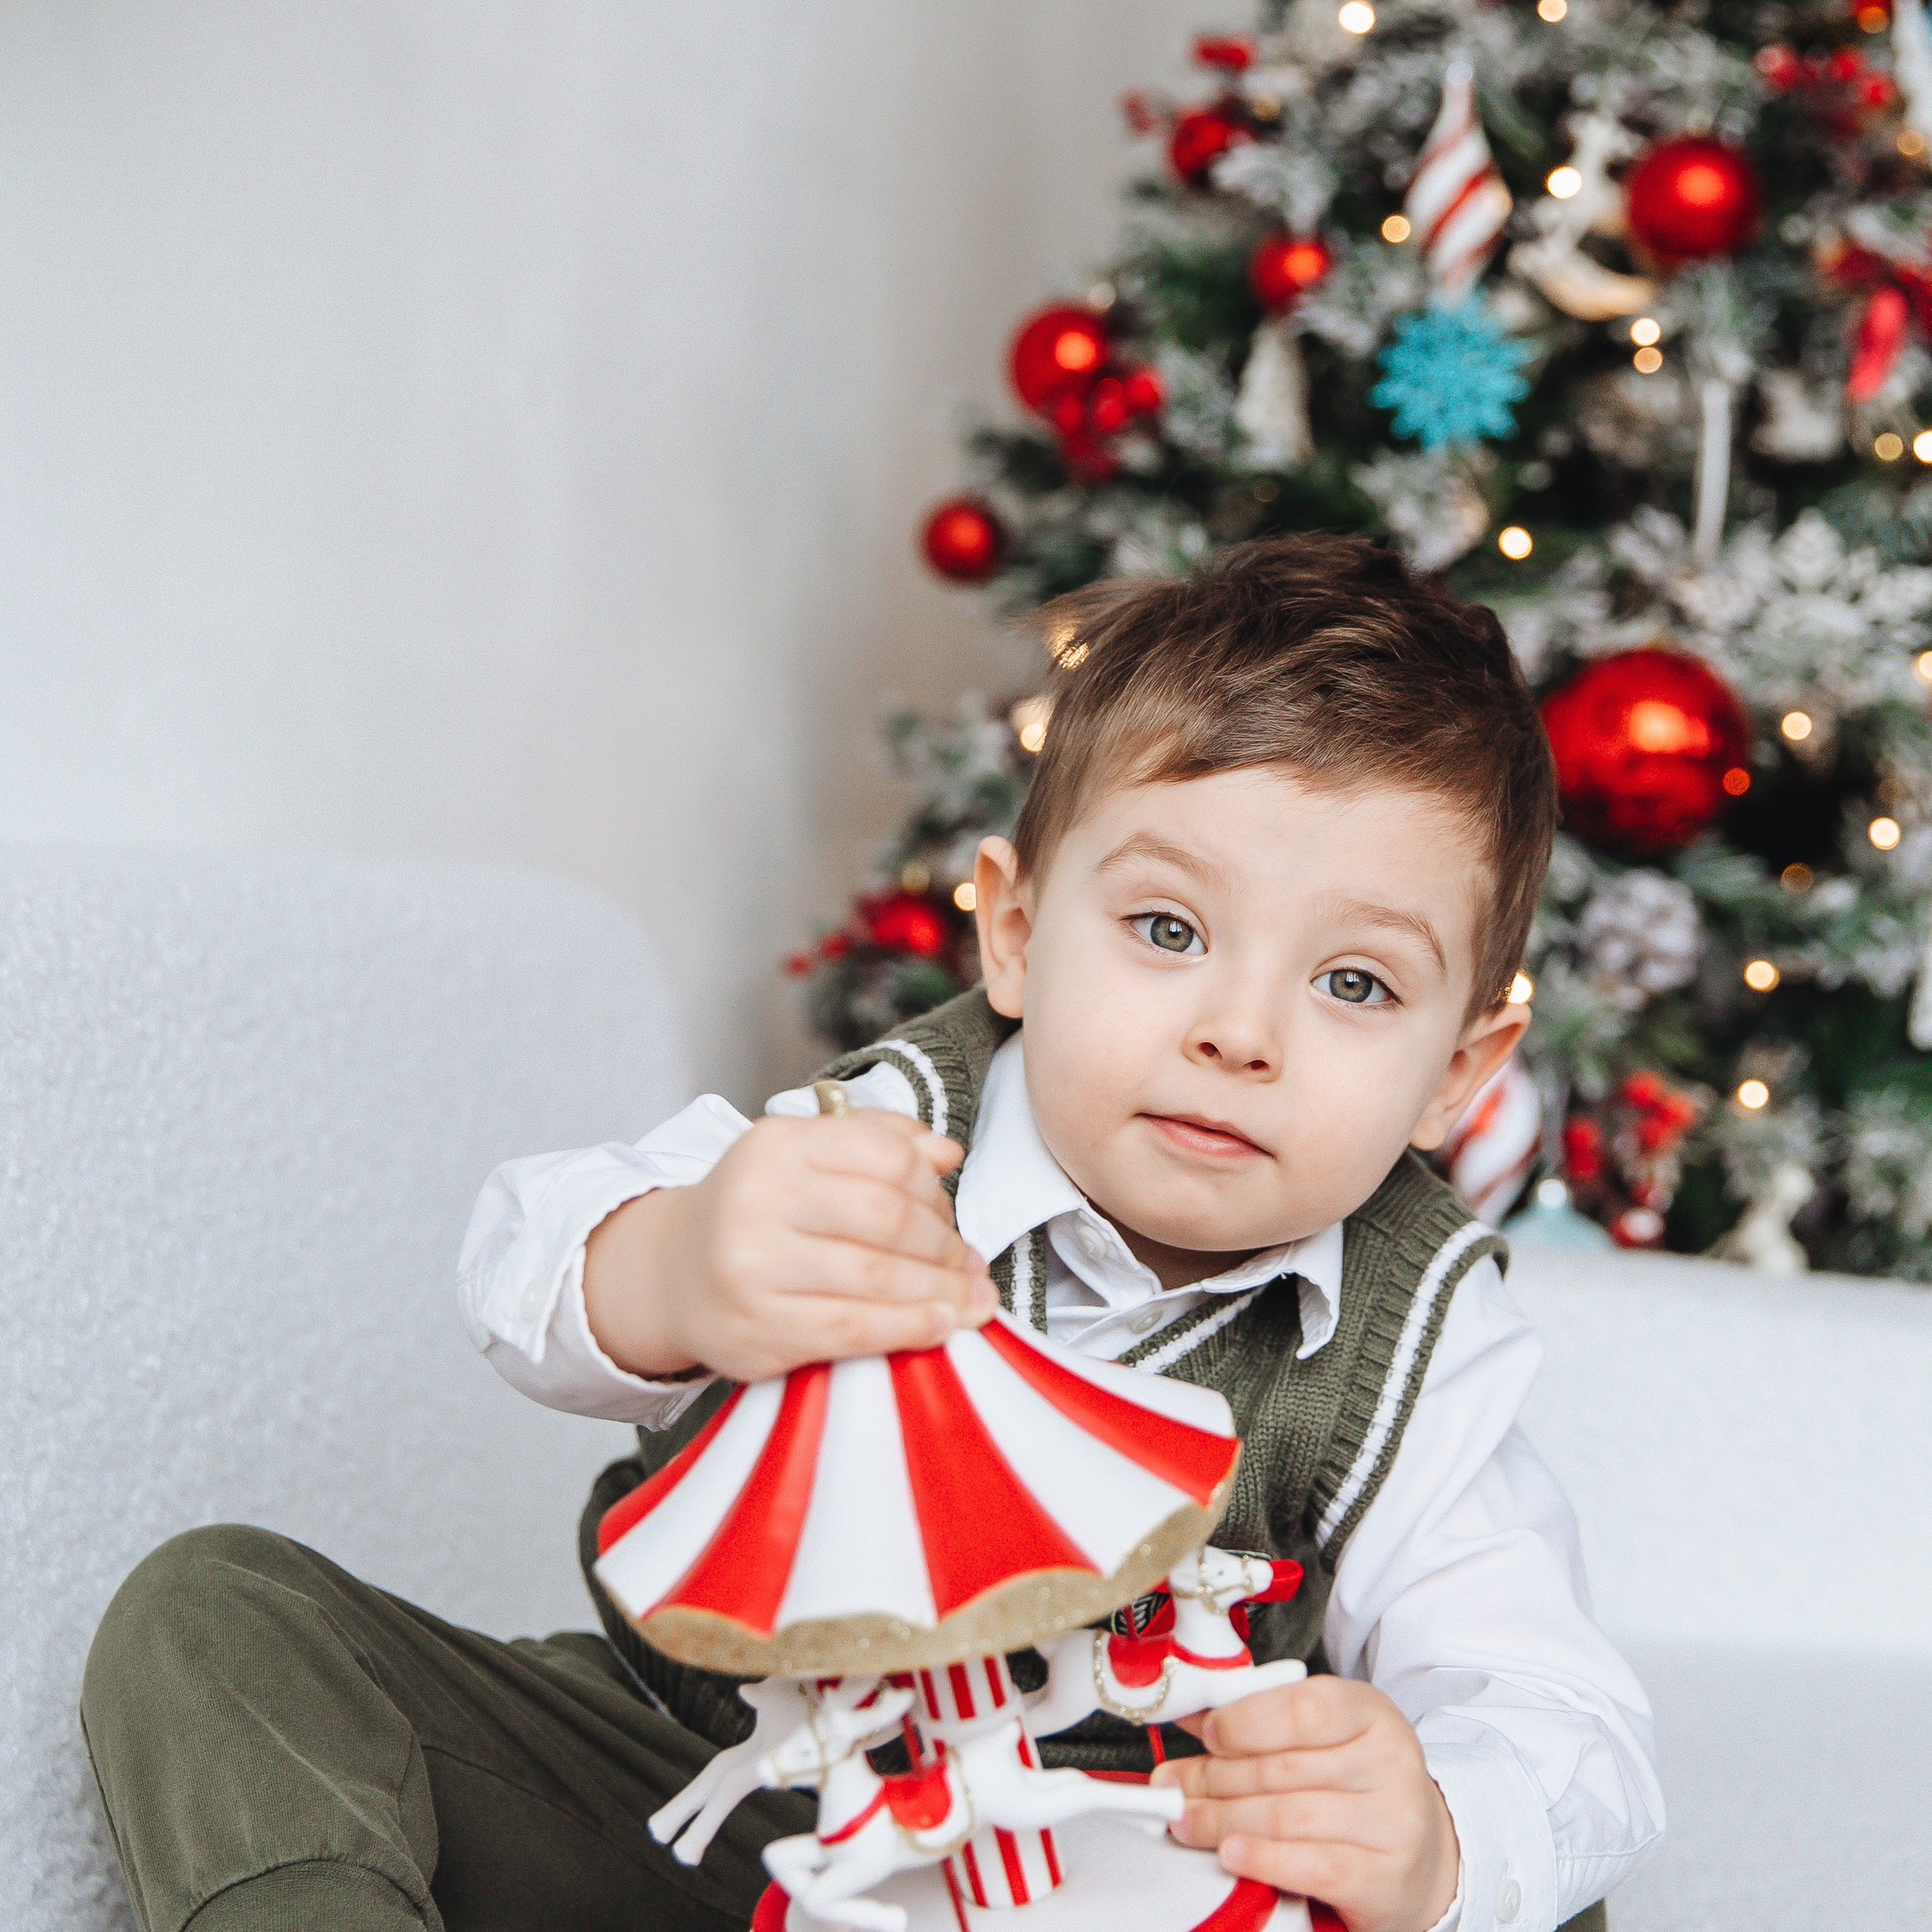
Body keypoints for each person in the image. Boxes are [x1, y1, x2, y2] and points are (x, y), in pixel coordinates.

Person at [82, 535, 1662, 1932]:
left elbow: (1553, 1707)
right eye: (1167, 929)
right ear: (1017, 932)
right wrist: (682, 1262)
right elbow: (523, 1259)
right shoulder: (879, 1139)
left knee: (1509, 1878)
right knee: (223, 1622)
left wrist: (1430, 1833)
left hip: (1127, 1872)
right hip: (725, 1807)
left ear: (1458, 1072)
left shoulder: (1420, 1341)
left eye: (1354, 982)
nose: (1238, 1032)